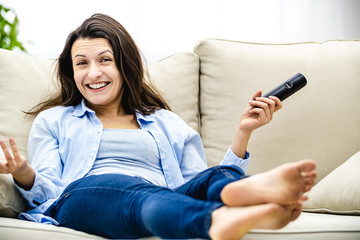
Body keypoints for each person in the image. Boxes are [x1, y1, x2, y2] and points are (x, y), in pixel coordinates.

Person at [0, 13, 316, 240]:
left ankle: (243, 193)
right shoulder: (55, 120)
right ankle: (215, 221)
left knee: (216, 176)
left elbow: (195, 183)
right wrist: (23, 172)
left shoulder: (165, 122)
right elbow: (51, 194)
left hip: (162, 198)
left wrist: (243, 132)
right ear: (72, 71)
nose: (93, 72)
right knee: (134, 193)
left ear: (125, 65)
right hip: (81, 199)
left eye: (105, 60)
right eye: (82, 63)